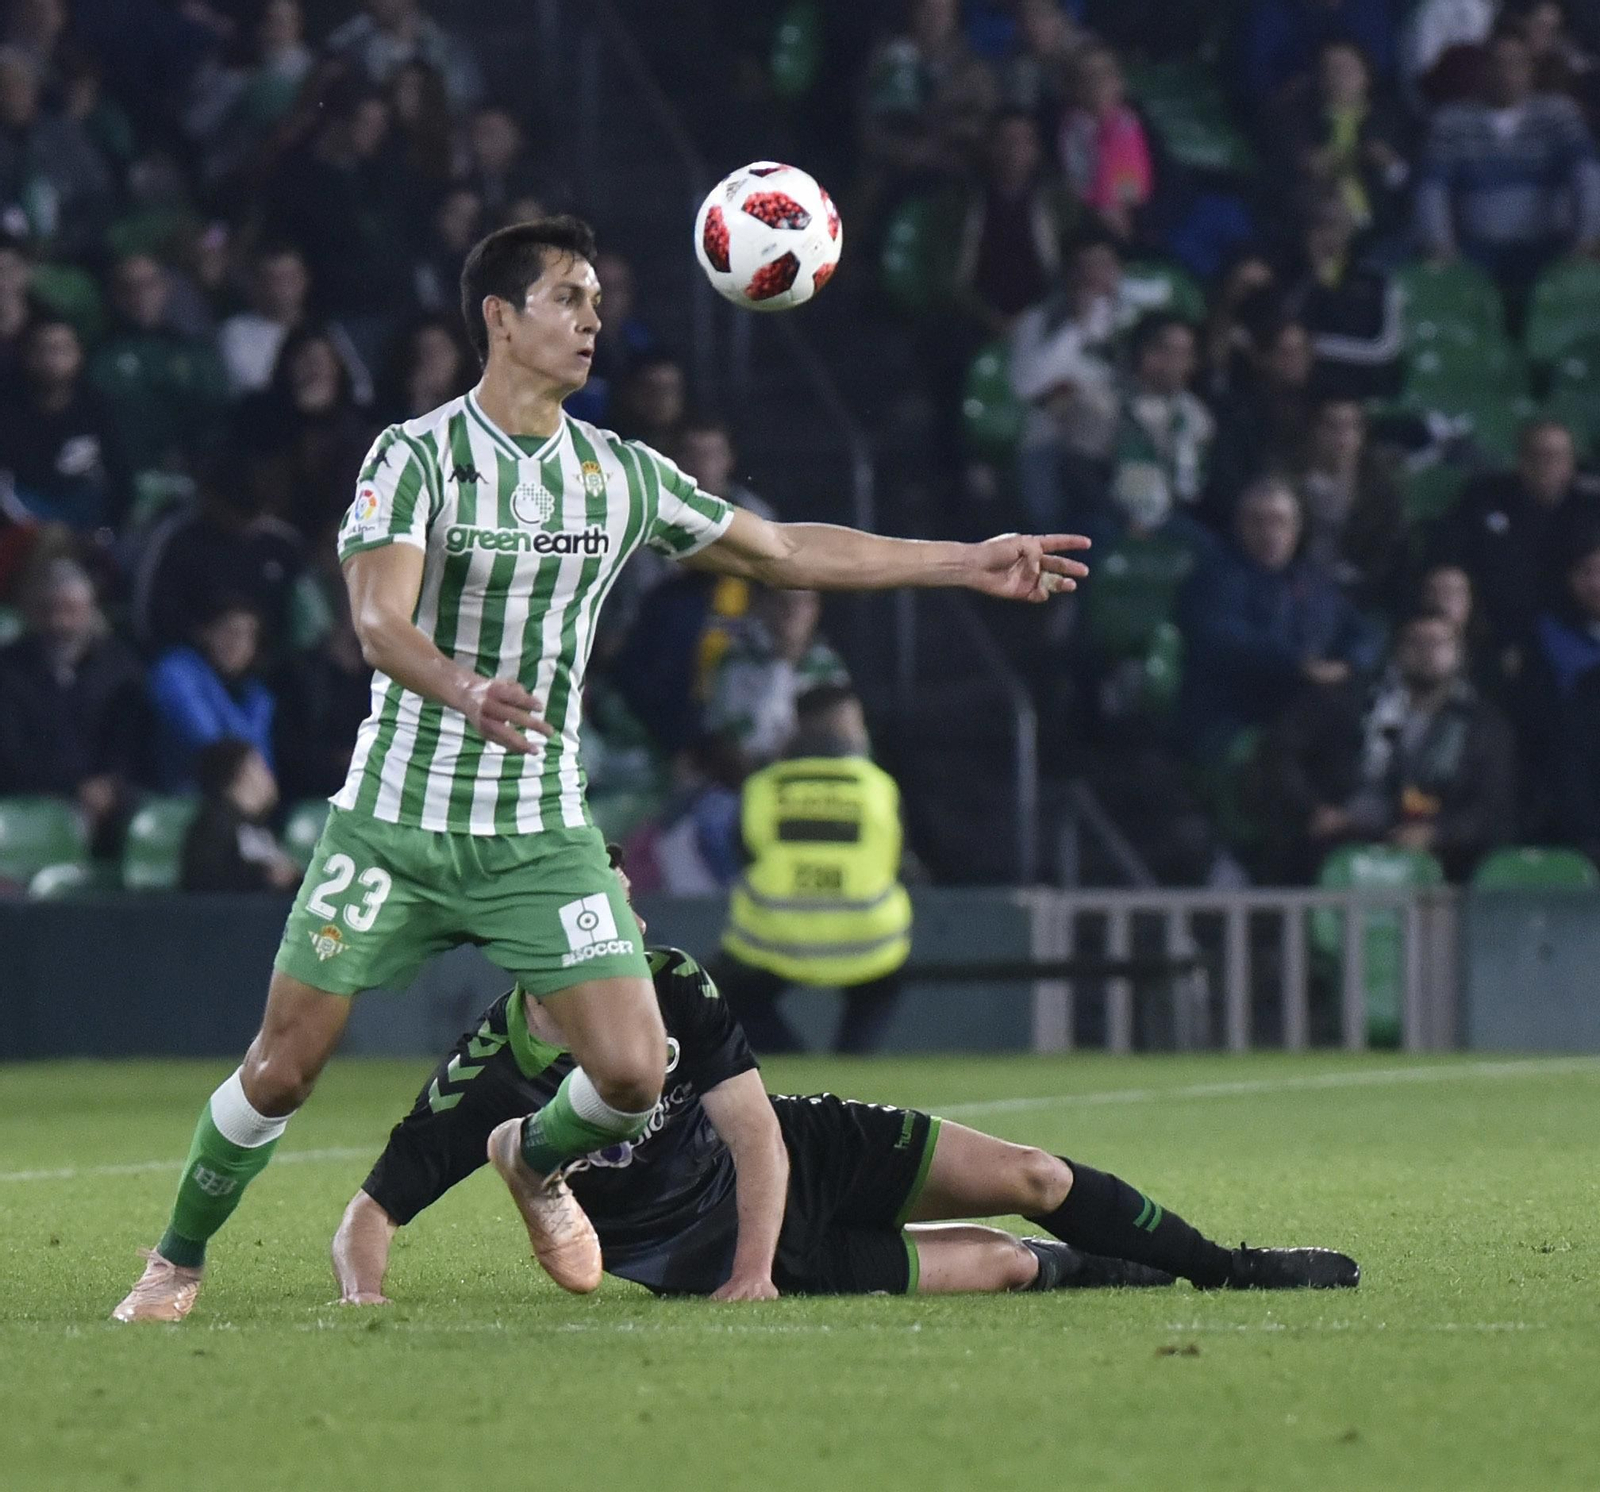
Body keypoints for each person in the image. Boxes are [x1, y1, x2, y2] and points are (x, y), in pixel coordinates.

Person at [111, 214, 1092, 1323]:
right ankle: (177, 1259)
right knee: (284, 1068)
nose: (593, 319)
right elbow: (380, 622)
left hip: (538, 833)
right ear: (500, 316)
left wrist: (968, 560)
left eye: (595, 300)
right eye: (568, 297)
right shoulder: (415, 454)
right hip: (392, 824)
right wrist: (466, 689)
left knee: (633, 1073)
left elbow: (780, 551)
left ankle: (531, 1158)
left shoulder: (616, 474)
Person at [329, 846, 1359, 1303]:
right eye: (606, 909)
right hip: (694, 1246)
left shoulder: (672, 981)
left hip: (788, 1166)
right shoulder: (487, 1075)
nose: (631, 920)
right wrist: (362, 1301)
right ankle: (1108, 1269)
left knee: (1036, 1177)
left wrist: (754, 1270)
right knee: (1003, 1263)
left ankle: (1225, 1267)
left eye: (622, 898)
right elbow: (366, 1217)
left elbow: (753, 1129)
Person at [712, 685, 908, 1056]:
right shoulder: (879, 787)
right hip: (866, 939)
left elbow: (740, 856)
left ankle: (794, 1061)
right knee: (880, 988)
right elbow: (895, 860)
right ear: (850, 729)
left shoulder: (762, 787)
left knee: (730, 993)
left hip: (772, 938)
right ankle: (853, 1062)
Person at [1254, 608, 1516, 881]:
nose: (1428, 652)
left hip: (1441, 854)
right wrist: (1313, 808)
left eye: (1439, 643)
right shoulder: (1351, 702)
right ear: (1397, 650)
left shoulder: (1484, 725)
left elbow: (1492, 808)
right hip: (1343, 839)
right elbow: (1281, 750)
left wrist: (1437, 833)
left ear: (1459, 654)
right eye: (1416, 642)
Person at [1177, 476, 1379, 758]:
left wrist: (1347, 664)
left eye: (1279, 521)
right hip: (1239, 708)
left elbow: (1363, 633)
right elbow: (1222, 638)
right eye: (1258, 521)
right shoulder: (1216, 576)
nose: (1269, 532)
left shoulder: (1314, 580)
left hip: (1310, 702)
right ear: (1239, 525)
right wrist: (1298, 664)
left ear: (1296, 529)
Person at [1414, 28, 1600, 310]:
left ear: (1531, 69)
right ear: (1484, 69)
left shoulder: (1558, 115)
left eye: (1517, 63)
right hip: (1475, 252)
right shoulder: (1452, 121)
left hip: (1549, 249)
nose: (1507, 72)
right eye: (1498, 63)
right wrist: (1440, 245)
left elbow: (1587, 179)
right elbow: (1432, 191)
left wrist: (1587, 237)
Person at [0, 556, 146, 847]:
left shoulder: (120, 669)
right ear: (35, 613)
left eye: (71, 611)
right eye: (51, 610)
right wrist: (73, 789)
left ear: (90, 612)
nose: (60, 623)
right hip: (32, 799)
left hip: (109, 804)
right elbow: (10, 751)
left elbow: (131, 741)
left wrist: (110, 785)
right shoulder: (9, 670)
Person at [1430, 419, 1600, 651]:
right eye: (1536, 455)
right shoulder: (1484, 496)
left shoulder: (1589, 506)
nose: (1546, 464)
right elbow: (1448, 547)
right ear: (1520, 459)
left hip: (1571, 621)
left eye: (1555, 456)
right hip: (1491, 615)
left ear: (1571, 462)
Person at [88, 253, 226, 475]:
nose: (140, 295)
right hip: (121, 477)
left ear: (164, 288)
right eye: (129, 287)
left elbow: (217, 413)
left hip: (194, 475)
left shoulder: (195, 352)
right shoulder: (99, 358)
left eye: (148, 285)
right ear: (115, 295)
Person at [705, 587, 850, 772]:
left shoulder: (826, 664)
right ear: (763, 606)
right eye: (783, 602)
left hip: (815, 775)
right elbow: (729, 738)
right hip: (746, 778)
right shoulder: (738, 661)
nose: (793, 611)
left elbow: (845, 734)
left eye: (805, 602)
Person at [0, 316, 124, 531]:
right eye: (44, 349)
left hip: (89, 518)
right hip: (25, 520)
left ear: (78, 353)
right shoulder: (7, 407)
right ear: (26, 355)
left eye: (62, 349)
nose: (53, 359)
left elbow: (119, 471)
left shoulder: (97, 405)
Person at [148, 596, 276, 793]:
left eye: (249, 635)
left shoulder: (257, 695)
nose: (238, 643)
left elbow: (262, 763)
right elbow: (215, 751)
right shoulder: (176, 670)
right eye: (230, 631)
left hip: (238, 800)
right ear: (206, 632)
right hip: (182, 797)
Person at [1113, 314, 1214, 511]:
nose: (1175, 363)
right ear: (1142, 352)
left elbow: (1198, 481)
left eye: (1184, 354)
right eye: (1166, 351)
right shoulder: (1103, 403)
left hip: (1177, 517)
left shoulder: (1198, 416)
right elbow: (1085, 475)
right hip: (1113, 517)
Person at [179, 739, 301, 894]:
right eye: (261, 768)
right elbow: (208, 880)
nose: (269, 776)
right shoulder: (213, 827)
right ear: (243, 774)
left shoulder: (259, 827)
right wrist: (263, 875)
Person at [1057, 46, 1152, 242]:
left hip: (1141, 218)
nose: (1097, 83)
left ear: (1119, 82)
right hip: (1095, 225)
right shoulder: (1072, 130)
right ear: (1073, 88)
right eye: (1087, 77)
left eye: (1104, 74)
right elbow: (1078, 184)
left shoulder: (1133, 122)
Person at [217, 244, 312, 398]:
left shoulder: (325, 331)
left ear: (304, 280)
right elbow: (250, 388)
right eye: (275, 279)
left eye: (290, 277)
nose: (284, 287)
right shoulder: (234, 332)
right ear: (258, 284)